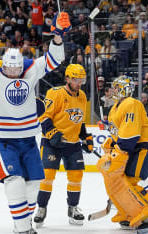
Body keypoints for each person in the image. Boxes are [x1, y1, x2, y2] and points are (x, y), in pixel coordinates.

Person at [0, 12, 71, 234]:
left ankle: (23, 223)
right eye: (10, 69)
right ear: (4, 65)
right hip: (2, 139)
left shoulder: (30, 68)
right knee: (15, 182)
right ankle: (22, 229)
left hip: (29, 138)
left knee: (34, 187)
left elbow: (54, 59)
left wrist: (58, 36)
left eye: (17, 69)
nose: (14, 73)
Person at [0, 87, 46, 231]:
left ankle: (23, 222)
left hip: (15, 143)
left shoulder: (17, 91)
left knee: (26, 184)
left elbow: (38, 109)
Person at [97, 75, 148, 233]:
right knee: (122, 181)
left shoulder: (131, 103)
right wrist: (112, 144)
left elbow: (130, 134)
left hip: (144, 146)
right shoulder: (114, 109)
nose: (113, 91)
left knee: (130, 180)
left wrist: (119, 148)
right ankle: (130, 212)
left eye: (116, 88)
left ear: (124, 89)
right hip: (134, 148)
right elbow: (119, 135)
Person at [34, 64, 93, 227]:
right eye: (76, 79)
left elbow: (79, 121)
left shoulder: (82, 96)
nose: (79, 83)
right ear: (67, 78)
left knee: (76, 177)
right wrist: (52, 133)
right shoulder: (55, 94)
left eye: (82, 79)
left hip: (72, 144)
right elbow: (44, 116)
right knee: (47, 177)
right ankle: (41, 209)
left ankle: (73, 208)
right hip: (51, 143)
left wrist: (85, 137)